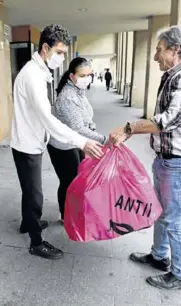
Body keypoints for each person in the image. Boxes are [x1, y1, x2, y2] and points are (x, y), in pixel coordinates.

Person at [109, 25, 181, 290]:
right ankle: (159, 256)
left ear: (175, 49)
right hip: (168, 160)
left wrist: (130, 128)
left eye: (159, 49)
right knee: (163, 213)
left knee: (174, 218)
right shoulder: (173, 75)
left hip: (179, 163)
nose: (155, 56)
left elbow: (169, 120)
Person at [10, 24, 104, 260]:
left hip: (32, 140)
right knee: (35, 194)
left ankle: (27, 223)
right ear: (45, 48)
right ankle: (35, 242)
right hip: (26, 143)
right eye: (60, 52)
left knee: (29, 190)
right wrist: (81, 142)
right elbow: (48, 119)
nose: (62, 58)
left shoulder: (39, 72)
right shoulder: (32, 76)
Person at [47, 57, 107, 223]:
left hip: (76, 142)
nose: (87, 79)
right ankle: (66, 216)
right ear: (72, 76)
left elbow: (86, 118)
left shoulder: (79, 92)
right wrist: (104, 139)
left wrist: (93, 128)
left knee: (78, 178)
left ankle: (75, 208)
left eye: (89, 75)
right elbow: (78, 128)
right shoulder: (68, 97)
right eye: (82, 75)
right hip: (62, 145)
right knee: (68, 181)